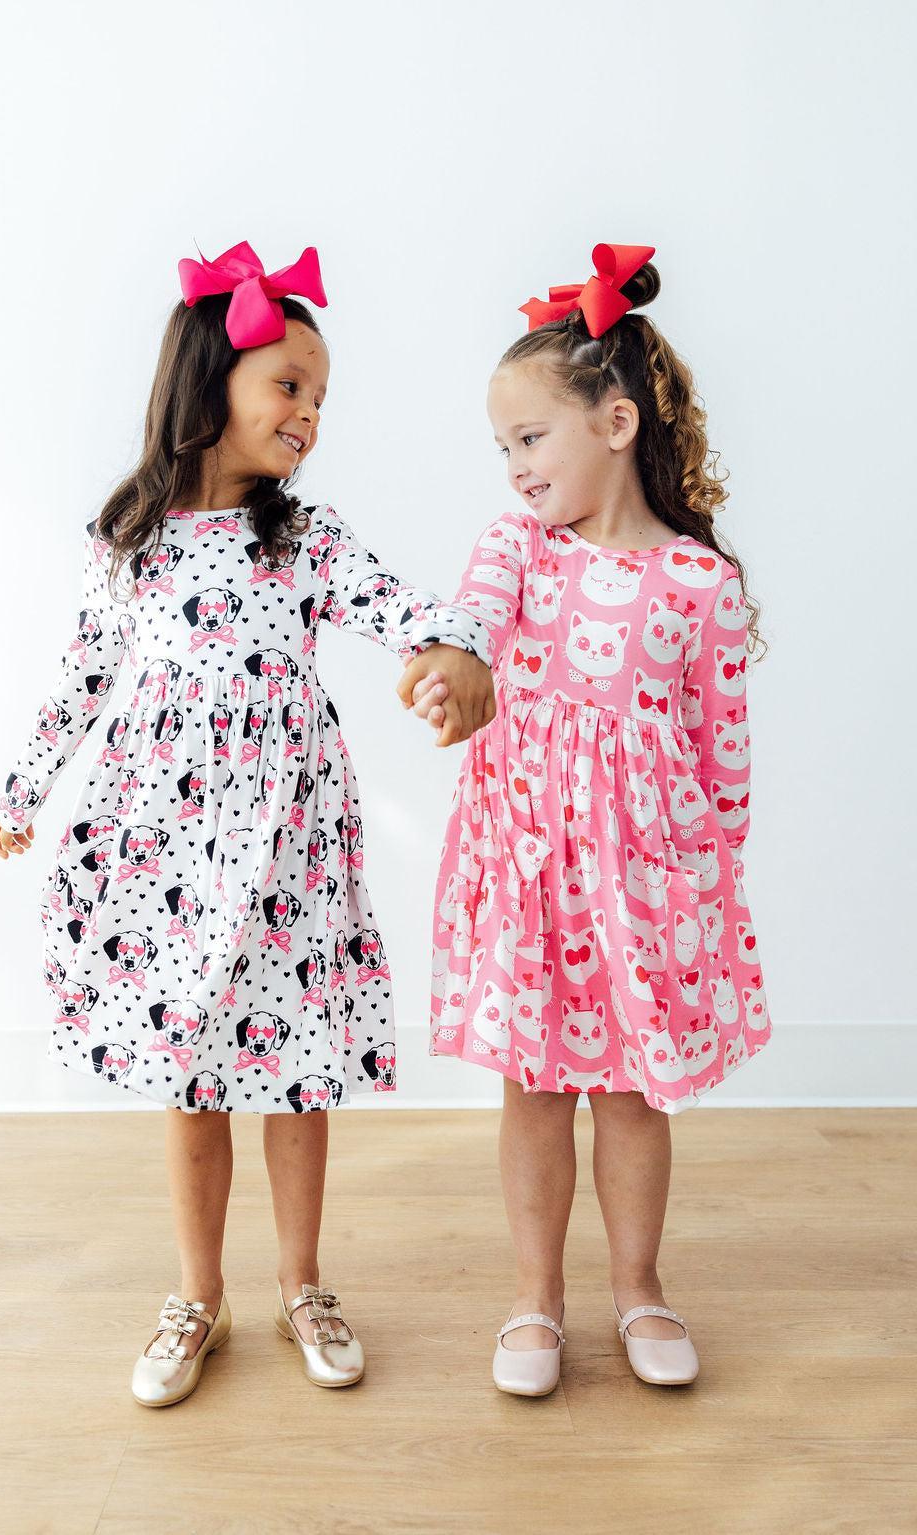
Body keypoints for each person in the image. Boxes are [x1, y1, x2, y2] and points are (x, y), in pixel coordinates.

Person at [0, 240, 495, 1406]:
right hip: (168, 845)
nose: (309, 413)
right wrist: (24, 790)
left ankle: (303, 1282)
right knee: (196, 1074)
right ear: (209, 377)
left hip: (288, 845)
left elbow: (403, 608)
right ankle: (197, 1294)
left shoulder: (304, 537)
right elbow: (83, 676)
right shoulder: (129, 539)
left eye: (319, 395)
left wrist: (453, 648)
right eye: (289, 384)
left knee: (298, 1069)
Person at [401, 243, 771, 1397]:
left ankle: (639, 1285)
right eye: (502, 447)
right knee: (533, 1088)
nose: (514, 467)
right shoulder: (518, 550)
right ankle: (535, 1296)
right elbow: (469, 621)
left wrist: (710, 881)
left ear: (615, 423)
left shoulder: (698, 584)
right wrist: (448, 669)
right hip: (528, 878)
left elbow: (719, 749)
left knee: (629, 1092)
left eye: (529, 438)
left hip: (644, 891)